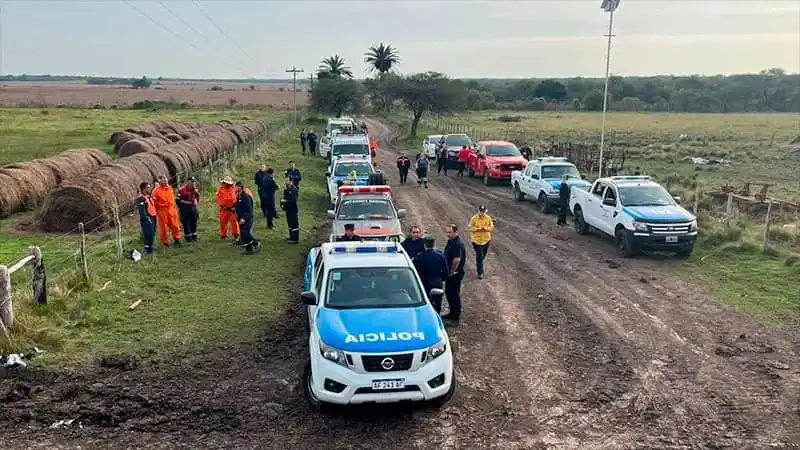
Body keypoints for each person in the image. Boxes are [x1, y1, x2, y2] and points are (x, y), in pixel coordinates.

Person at [413, 237, 449, 314]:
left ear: (424, 245)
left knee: (425, 302)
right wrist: (441, 279)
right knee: (437, 303)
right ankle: (437, 316)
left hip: (423, 283)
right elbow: (446, 272)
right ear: (433, 245)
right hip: (436, 282)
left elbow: (415, 271)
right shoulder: (440, 256)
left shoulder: (419, 257)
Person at [443, 224, 466, 324]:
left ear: (456, 232)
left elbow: (456, 260)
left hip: (455, 274)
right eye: (447, 232)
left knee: (454, 294)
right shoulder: (451, 241)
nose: (448, 234)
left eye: (450, 232)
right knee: (449, 293)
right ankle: (451, 313)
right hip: (451, 273)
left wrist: (452, 271)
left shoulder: (457, 244)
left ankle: (455, 317)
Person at [151, 175, 181, 247]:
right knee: (163, 228)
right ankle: (165, 242)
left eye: (166, 179)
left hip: (171, 209)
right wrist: (162, 205)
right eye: (163, 179)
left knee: (175, 225)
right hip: (162, 211)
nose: (165, 181)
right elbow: (154, 203)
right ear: (159, 181)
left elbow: (172, 198)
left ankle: (177, 239)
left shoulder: (169, 188)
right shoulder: (155, 191)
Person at [235, 181, 261, 254]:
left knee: (246, 233)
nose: (235, 188)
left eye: (236, 187)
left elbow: (249, 209)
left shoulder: (245, 196)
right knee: (243, 234)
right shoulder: (238, 196)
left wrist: (244, 218)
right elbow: (238, 206)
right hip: (240, 218)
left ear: (240, 188)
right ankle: (248, 249)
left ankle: (256, 243)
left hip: (247, 218)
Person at [468, 205, 494, 279]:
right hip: (476, 241)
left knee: (482, 256)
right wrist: (477, 229)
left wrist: (485, 228)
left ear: (485, 211)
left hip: (486, 240)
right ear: (478, 211)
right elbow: (470, 227)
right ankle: (480, 273)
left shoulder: (488, 218)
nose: (482, 213)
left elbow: (491, 227)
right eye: (480, 211)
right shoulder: (474, 218)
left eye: (483, 211)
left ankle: (479, 264)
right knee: (479, 256)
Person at [215, 176, 240, 243]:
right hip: (224, 209)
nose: (224, 184)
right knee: (222, 222)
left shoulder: (234, 189)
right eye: (224, 182)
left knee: (234, 221)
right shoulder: (220, 189)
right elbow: (219, 199)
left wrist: (234, 206)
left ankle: (236, 235)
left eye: (225, 183)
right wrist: (223, 205)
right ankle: (223, 235)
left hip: (232, 209)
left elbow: (236, 199)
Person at [136, 182, 157, 254]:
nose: (149, 189)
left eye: (149, 187)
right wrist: (146, 218)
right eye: (148, 187)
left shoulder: (149, 196)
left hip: (153, 216)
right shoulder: (141, 198)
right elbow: (142, 211)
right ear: (143, 189)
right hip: (147, 218)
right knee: (148, 234)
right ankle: (147, 249)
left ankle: (150, 248)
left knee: (152, 233)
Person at [177, 176, 200, 242]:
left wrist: (196, 200)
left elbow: (197, 198)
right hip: (185, 210)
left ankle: (194, 236)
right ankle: (188, 238)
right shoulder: (182, 190)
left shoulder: (195, 190)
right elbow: (177, 200)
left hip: (193, 210)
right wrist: (185, 203)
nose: (192, 183)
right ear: (187, 182)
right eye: (191, 181)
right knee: (186, 224)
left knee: (194, 223)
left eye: (193, 182)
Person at [281, 175, 300, 244]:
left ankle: (295, 239)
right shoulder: (286, 189)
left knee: (294, 224)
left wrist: (285, 201)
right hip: (288, 209)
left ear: (291, 181)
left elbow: (293, 200)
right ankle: (291, 236)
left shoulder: (294, 189)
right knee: (289, 224)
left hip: (293, 209)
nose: (286, 182)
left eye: (287, 181)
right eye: (285, 181)